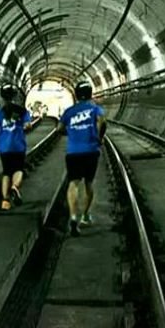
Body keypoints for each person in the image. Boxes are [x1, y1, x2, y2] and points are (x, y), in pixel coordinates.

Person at [57, 81, 106, 236]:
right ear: (90, 94)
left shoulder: (69, 111)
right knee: (89, 183)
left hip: (73, 152)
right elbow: (102, 121)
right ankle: (84, 215)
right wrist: (99, 137)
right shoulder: (95, 109)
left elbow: (59, 129)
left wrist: (70, 133)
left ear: (76, 95)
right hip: (91, 151)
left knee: (73, 184)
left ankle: (72, 217)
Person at [0, 83, 33, 210]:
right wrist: (22, 127)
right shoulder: (22, 111)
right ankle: (15, 187)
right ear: (15, 95)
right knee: (18, 169)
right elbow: (28, 126)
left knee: (6, 172)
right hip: (18, 145)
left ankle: (5, 201)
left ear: (2, 97)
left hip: (4, 147)